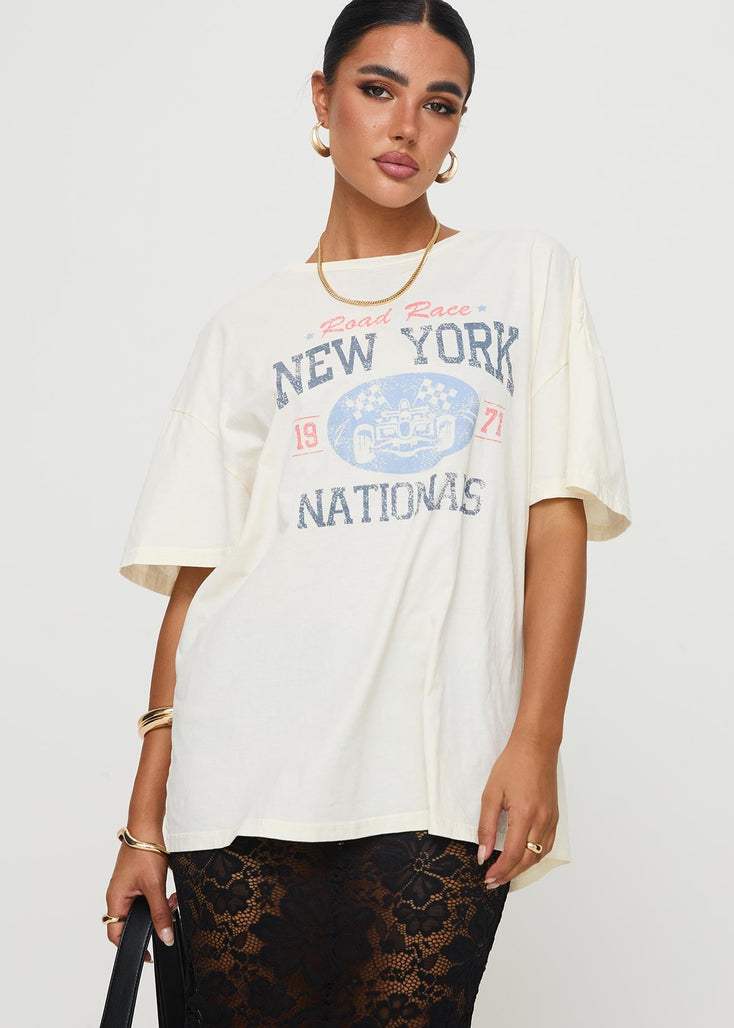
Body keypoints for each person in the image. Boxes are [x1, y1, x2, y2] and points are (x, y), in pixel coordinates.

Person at [104, 1, 632, 1024]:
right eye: (378, 90)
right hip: (240, 780)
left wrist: (536, 738)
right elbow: (197, 584)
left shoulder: (523, 274)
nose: (405, 126)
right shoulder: (246, 327)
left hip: (434, 775)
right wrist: (143, 822)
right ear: (323, 98)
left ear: (459, 124)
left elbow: (554, 517)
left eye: (440, 104)